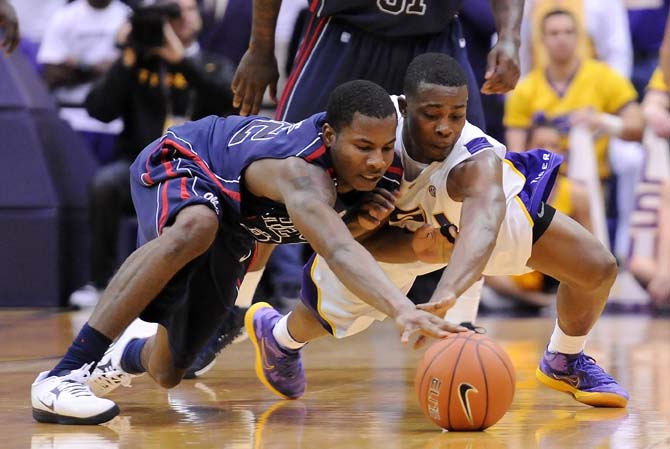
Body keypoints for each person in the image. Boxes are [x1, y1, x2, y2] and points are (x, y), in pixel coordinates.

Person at [30, 79, 464, 425]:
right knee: (197, 226)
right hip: (190, 159)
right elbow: (335, 248)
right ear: (330, 135)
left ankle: (125, 355)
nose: (376, 160)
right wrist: (402, 309)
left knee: (169, 370)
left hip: (236, 221)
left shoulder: (380, 177)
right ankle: (63, 375)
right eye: (364, 148)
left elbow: (319, 236)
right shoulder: (303, 175)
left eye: (386, 148)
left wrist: (395, 239)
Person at [244, 53, 628, 408]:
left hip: (456, 225)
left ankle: (565, 358)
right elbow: (322, 216)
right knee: (326, 315)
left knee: (596, 267)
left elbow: (485, 221)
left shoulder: (475, 158)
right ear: (406, 108)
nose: (445, 128)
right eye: (432, 115)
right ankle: (280, 339)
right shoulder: (370, 134)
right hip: (392, 232)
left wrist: (447, 294)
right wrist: (385, 237)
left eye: (456, 114)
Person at [68, 0, 238, 308]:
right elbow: (98, 109)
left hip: (199, 168)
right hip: (141, 164)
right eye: (171, 12)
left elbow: (229, 98)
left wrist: (182, 60)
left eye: (186, 9)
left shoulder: (212, 63)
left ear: (199, 17)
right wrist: (127, 56)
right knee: (105, 184)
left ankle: (214, 290)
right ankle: (101, 283)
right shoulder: (136, 67)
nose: (181, 18)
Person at [231, 0, 524, 125]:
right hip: (346, 35)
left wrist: (510, 37)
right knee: (286, 166)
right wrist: (260, 48)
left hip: (435, 38)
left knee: (472, 169)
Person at [485, 120, 591, 310]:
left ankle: (547, 302)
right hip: (514, 270)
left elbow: (590, 245)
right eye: (541, 145)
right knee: (485, 270)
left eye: (554, 145)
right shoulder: (510, 188)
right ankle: (535, 301)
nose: (548, 151)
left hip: (554, 272)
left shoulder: (577, 194)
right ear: (527, 150)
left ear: (564, 152)